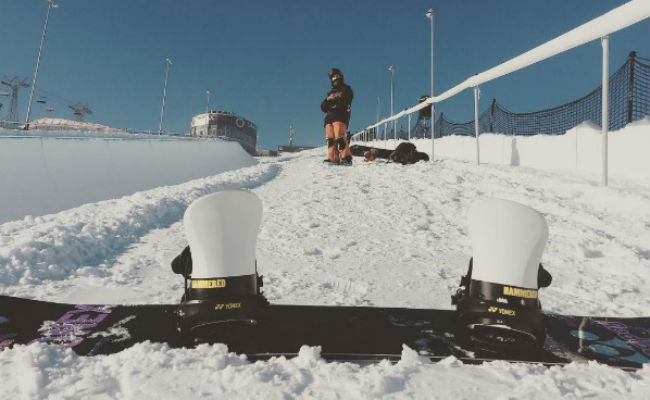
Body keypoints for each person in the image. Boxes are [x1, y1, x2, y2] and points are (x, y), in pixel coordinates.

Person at [320, 68, 354, 164]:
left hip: (340, 116)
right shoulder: (330, 93)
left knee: (339, 136)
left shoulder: (346, 89)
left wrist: (333, 103)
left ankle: (346, 157)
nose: (335, 78)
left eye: (337, 76)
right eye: (333, 77)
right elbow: (323, 107)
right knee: (330, 138)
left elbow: (345, 101)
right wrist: (327, 101)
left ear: (341, 77)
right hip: (329, 118)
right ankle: (333, 158)